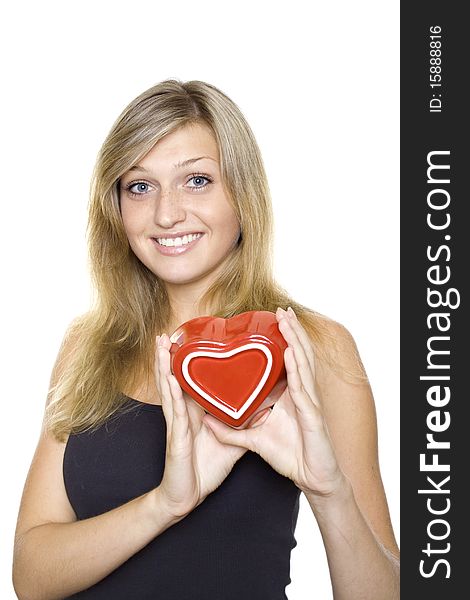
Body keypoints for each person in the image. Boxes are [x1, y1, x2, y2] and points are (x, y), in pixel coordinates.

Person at [12, 79, 399, 599]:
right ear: (116, 207)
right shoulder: (88, 346)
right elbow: (32, 577)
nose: (167, 214)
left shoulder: (311, 346)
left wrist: (330, 493)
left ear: (243, 194)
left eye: (196, 180)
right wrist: (165, 504)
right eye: (140, 186)